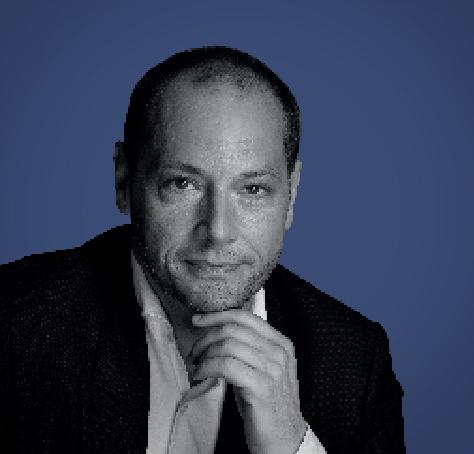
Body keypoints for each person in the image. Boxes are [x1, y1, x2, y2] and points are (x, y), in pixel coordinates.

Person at [0, 46, 405, 454]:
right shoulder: (16, 324)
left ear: (291, 195)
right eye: (183, 184)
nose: (218, 232)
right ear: (124, 180)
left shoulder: (354, 363)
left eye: (253, 189)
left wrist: (292, 444)